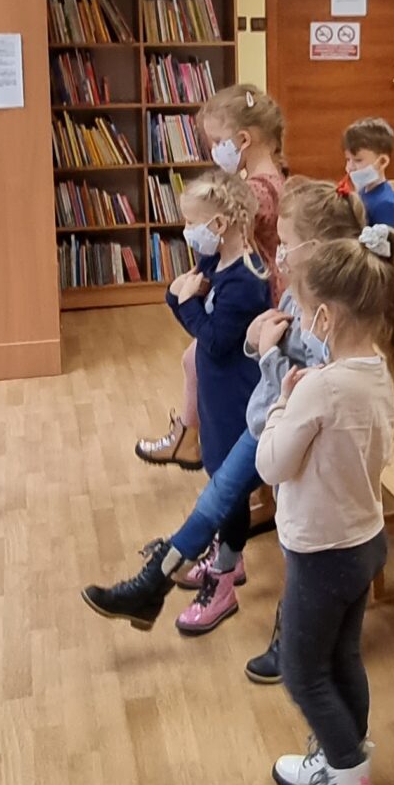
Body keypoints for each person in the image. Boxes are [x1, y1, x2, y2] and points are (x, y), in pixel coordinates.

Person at [82, 178, 361, 638]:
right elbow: (276, 358)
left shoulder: (331, 311)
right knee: (218, 499)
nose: (279, 253)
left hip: (286, 428)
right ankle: (166, 583)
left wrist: (264, 351)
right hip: (265, 417)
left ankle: (204, 593)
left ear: (315, 248)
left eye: (286, 243)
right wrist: (258, 343)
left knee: (239, 509)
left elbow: (309, 384)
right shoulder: (295, 293)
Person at [255, 231, 394, 785]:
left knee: (301, 672)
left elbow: (271, 465)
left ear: (327, 315)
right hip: (362, 542)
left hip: (321, 552)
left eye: (300, 308)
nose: (297, 319)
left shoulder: (321, 386)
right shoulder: (380, 372)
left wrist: (279, 405)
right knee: (342, 659)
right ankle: (344, 757)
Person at [104, 168, 272, 633]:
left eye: (193, 222)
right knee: (218, 473)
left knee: (230, 491)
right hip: (216, 393)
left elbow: (214, 341)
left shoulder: (246, 281)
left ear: (220, 224)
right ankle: (229, 556)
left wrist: (184, 302)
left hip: (237, 396)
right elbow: (182, 293)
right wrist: (179, 297)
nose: (187, 231)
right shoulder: (214, 260)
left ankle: (225, 579)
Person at [136, 84, 288, 466]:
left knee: (200, 359)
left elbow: (228, 246)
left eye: (218, 141)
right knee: (194, 360)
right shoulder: (273, 178)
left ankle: (192, 441)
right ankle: (189, 437)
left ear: (243, 139)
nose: (215, 151)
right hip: (261, 293)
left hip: (256, 300)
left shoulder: (254, 192)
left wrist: (189, 290)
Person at [340, 119, 394, 240]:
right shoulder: (363, 191)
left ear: (382, 162)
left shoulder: (385, 205)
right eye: (348, 160)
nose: (350, 167)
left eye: (358, 160)